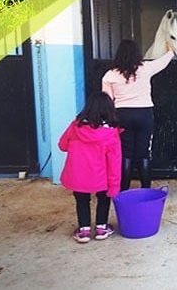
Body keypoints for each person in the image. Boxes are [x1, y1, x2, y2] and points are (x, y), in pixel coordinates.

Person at [102, 38, 174, 191]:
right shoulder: (146, 68)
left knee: (125, 154)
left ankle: (123, 191)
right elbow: (163, 62)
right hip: (144, 114)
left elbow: (107, 101)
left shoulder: (109, 75)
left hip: (122, 115)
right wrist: (170, 50)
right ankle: (146, 189)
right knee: (143, 153)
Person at [58, 91, 122, 243]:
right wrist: (114, 185)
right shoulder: (111, 133)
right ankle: (101, 228)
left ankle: (84, 231)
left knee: (81, 200)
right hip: (101, 176)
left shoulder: (75, 126)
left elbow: (62, 145)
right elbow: (115, 162)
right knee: (103, 198)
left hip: (78, 175)